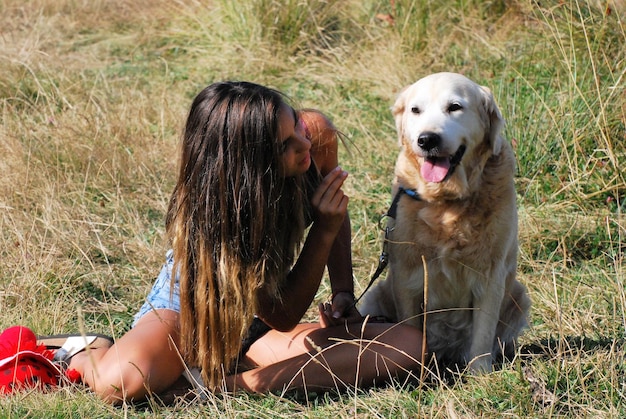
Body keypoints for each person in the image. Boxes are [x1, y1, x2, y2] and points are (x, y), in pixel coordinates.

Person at [66, 81, 424, 403]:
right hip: (189, 315)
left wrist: (344, 294)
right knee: (121, 383)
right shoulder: (223, 216)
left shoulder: (316, 135)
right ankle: (81, 351)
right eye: (286, 145)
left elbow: (333, 204)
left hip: (254, 328)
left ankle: (219, 386)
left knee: (409, 346)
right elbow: (283, 315)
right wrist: (323, 230)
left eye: (296, 125)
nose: (305, 144)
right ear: (251, 165)